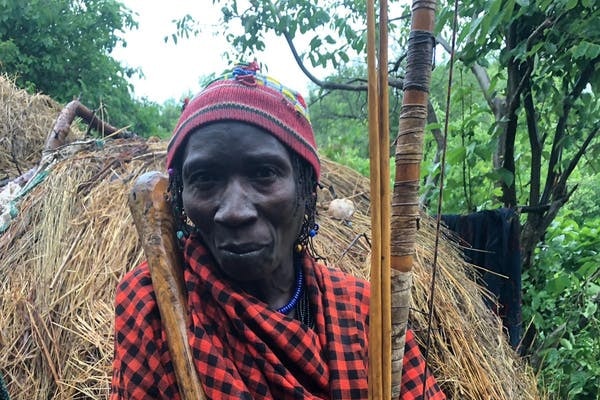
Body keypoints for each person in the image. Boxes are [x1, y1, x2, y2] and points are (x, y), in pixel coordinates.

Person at [110, 62, 445, 399]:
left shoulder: (363, 313)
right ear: (182, 197)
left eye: (264, 173)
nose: (234, 212)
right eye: (205, 178)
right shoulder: (153, 306)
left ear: (306, 189)